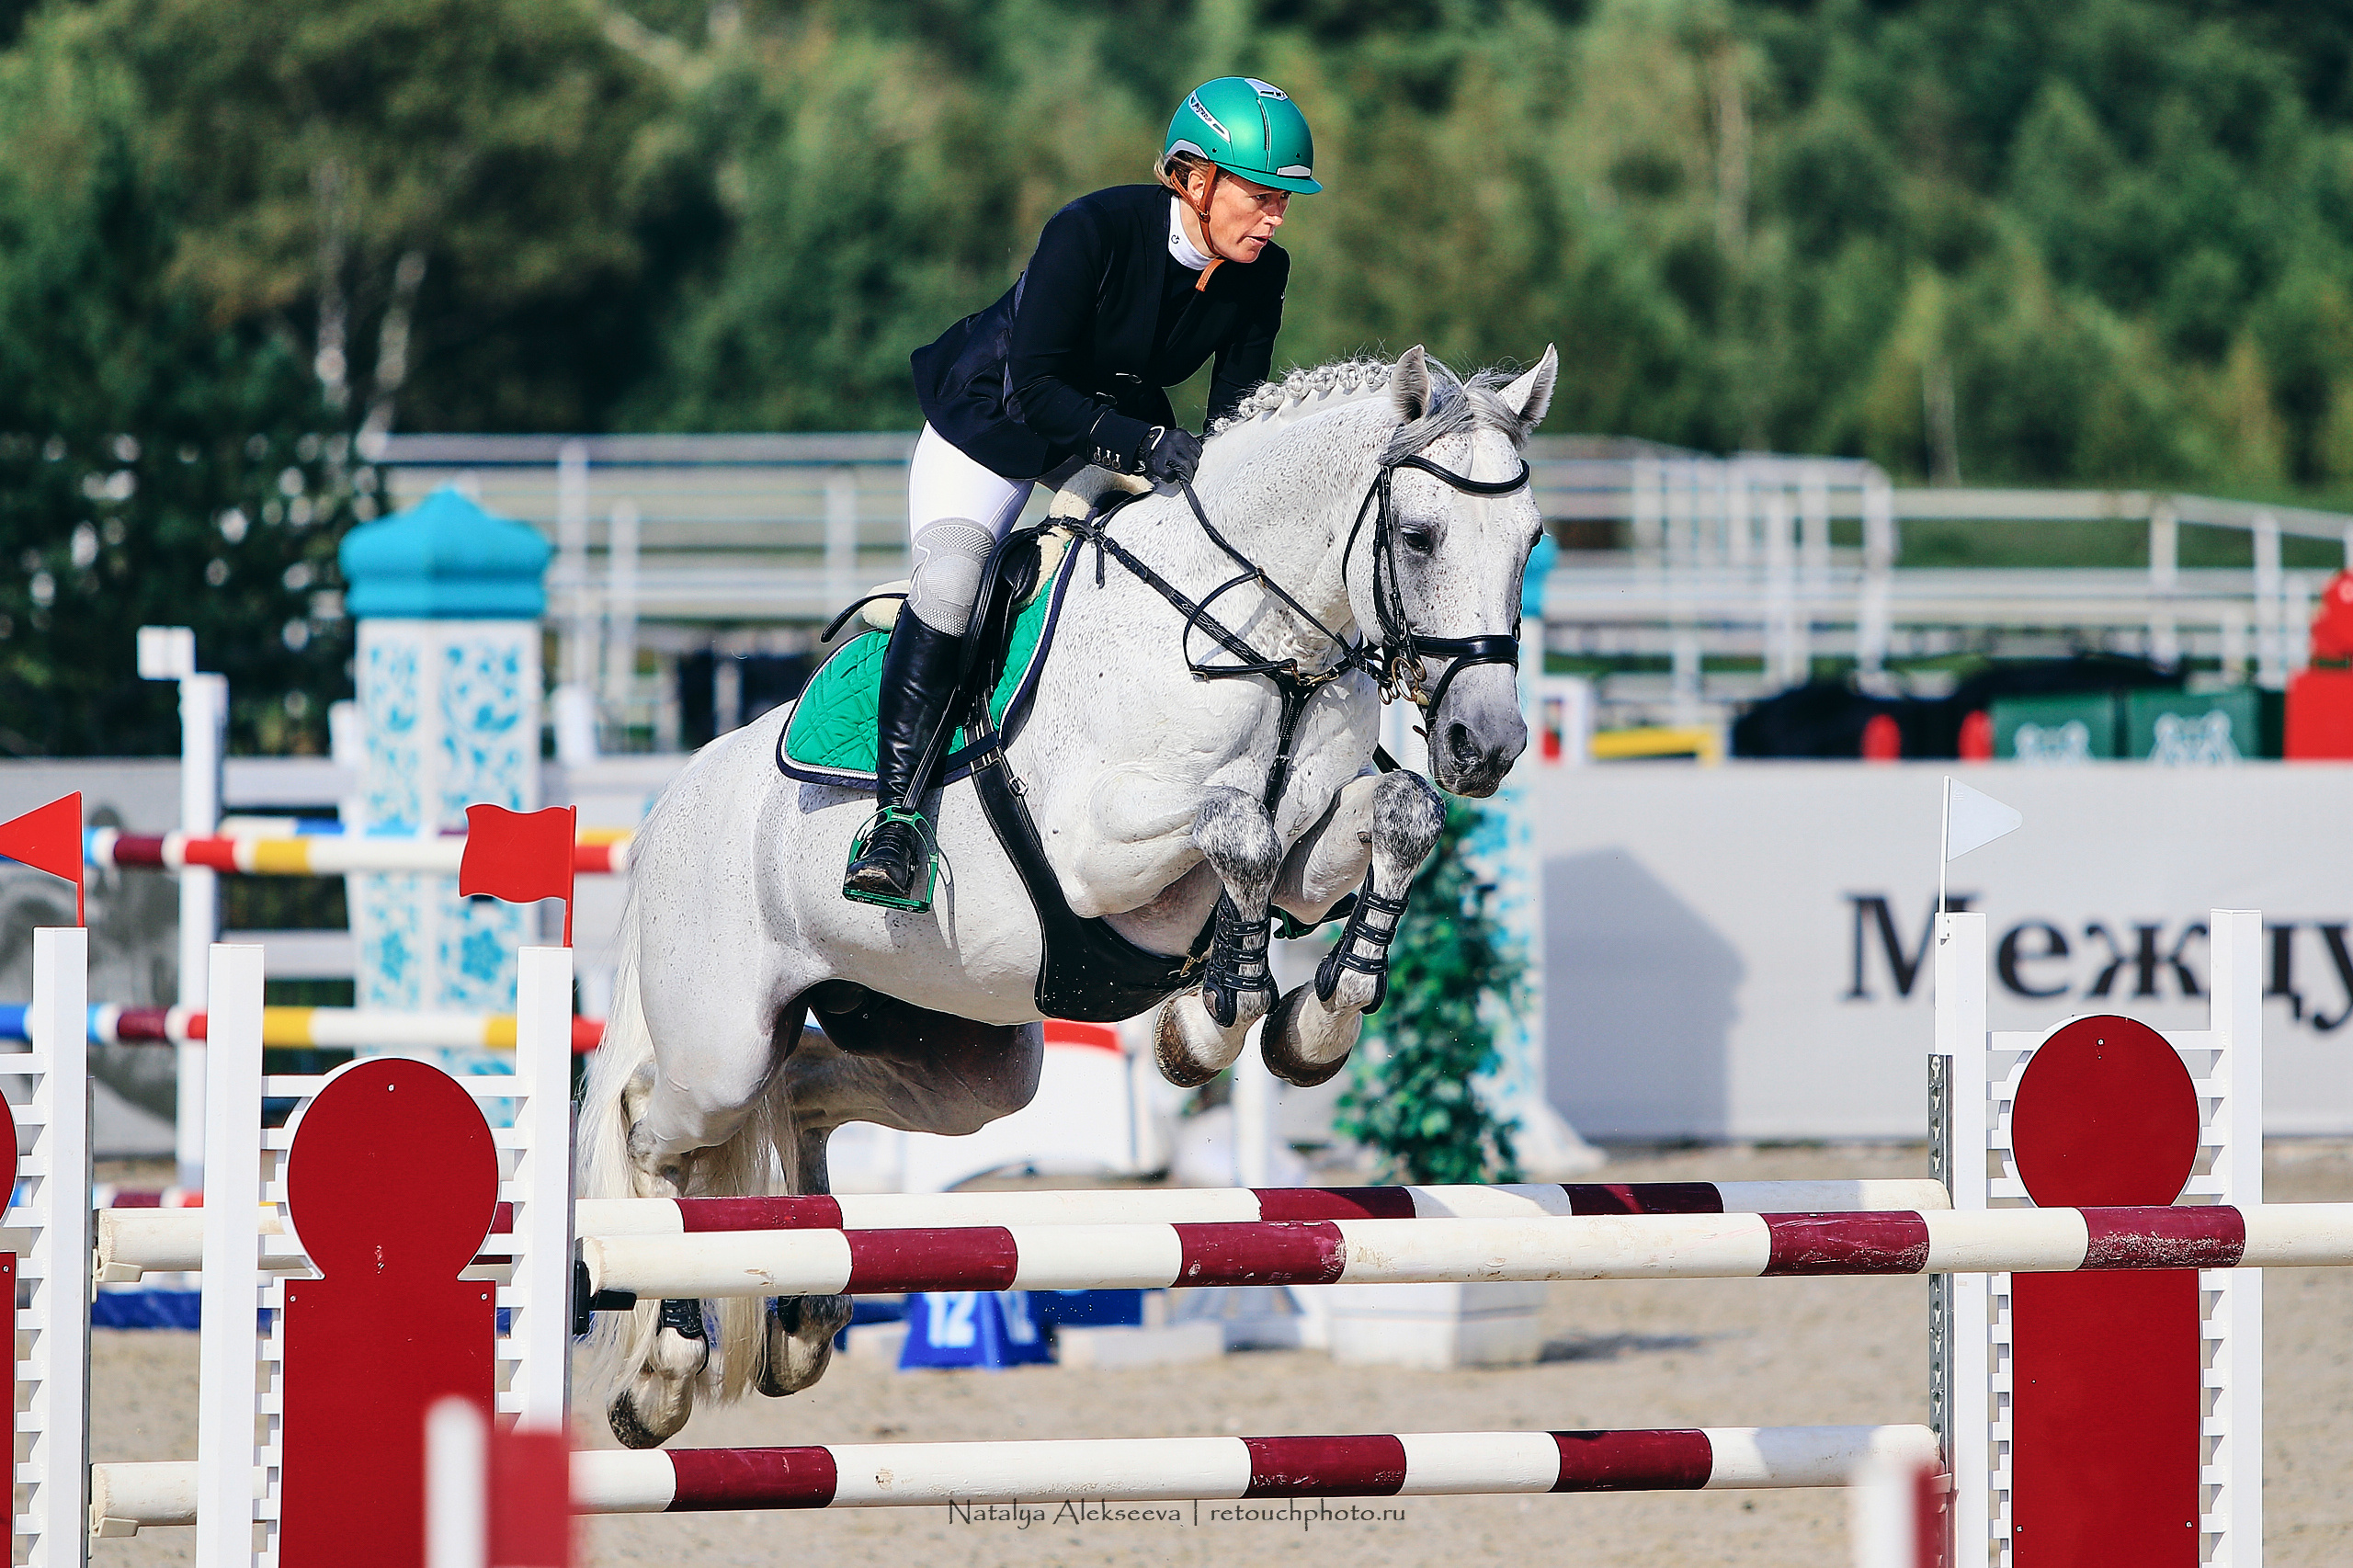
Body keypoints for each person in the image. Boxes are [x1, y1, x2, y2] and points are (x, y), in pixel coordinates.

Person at [842, 76, 1321, 908]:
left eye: (1285, 198)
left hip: (1111, 429)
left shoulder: (1260, 274)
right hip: (995, 417)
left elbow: (1237, 415)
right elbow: (1036, 390)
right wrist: (1146, 445)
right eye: (1261, 194)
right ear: (1197, 180)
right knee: (956, 578)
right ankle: (895, 821)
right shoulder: (1090, 231)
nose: (1276, 215)